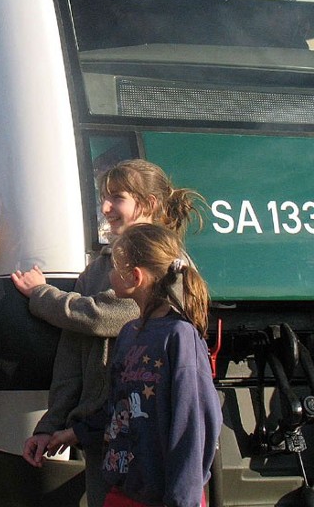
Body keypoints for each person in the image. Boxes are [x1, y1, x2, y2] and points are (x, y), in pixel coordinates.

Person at [11, 159, 204, 507]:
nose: (104, 207)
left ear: (149, 204)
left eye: (116, 197)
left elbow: (102, 314)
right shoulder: (98, 266)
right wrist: (51, 424)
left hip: (148, 437)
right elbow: (71, 355)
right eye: (103, 196)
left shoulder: (167, 265)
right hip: (99, 429)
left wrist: (42, 295)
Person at [46, 223, 222, 507]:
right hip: (125, 491)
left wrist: (182, 500)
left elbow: (194, 424)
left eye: (114, 268)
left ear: (135, 276)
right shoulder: (129, 333)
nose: (110, 275)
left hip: (166, 499)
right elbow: (119, 407)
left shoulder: (179, 336)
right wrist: (76, 433)